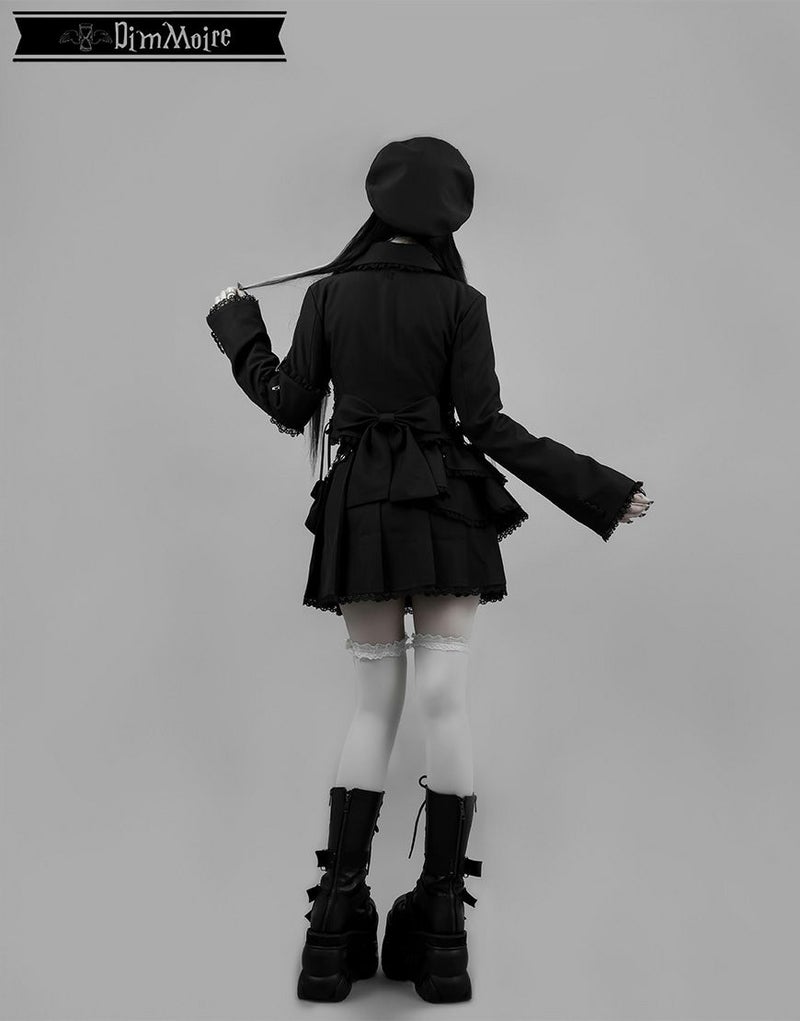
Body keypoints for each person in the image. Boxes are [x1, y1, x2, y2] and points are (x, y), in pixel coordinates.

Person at [204, 135, 653, 1005]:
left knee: (375, 702)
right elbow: (487, 425)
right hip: (447, 509)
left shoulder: (330, 294)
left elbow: (288, 403)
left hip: (363, 510)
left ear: (378, 202)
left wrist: (237, 330)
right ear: (452, 216)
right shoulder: (461, 300)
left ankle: (334, 921)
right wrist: (596, 489)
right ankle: (443, 923)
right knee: (446, 701)